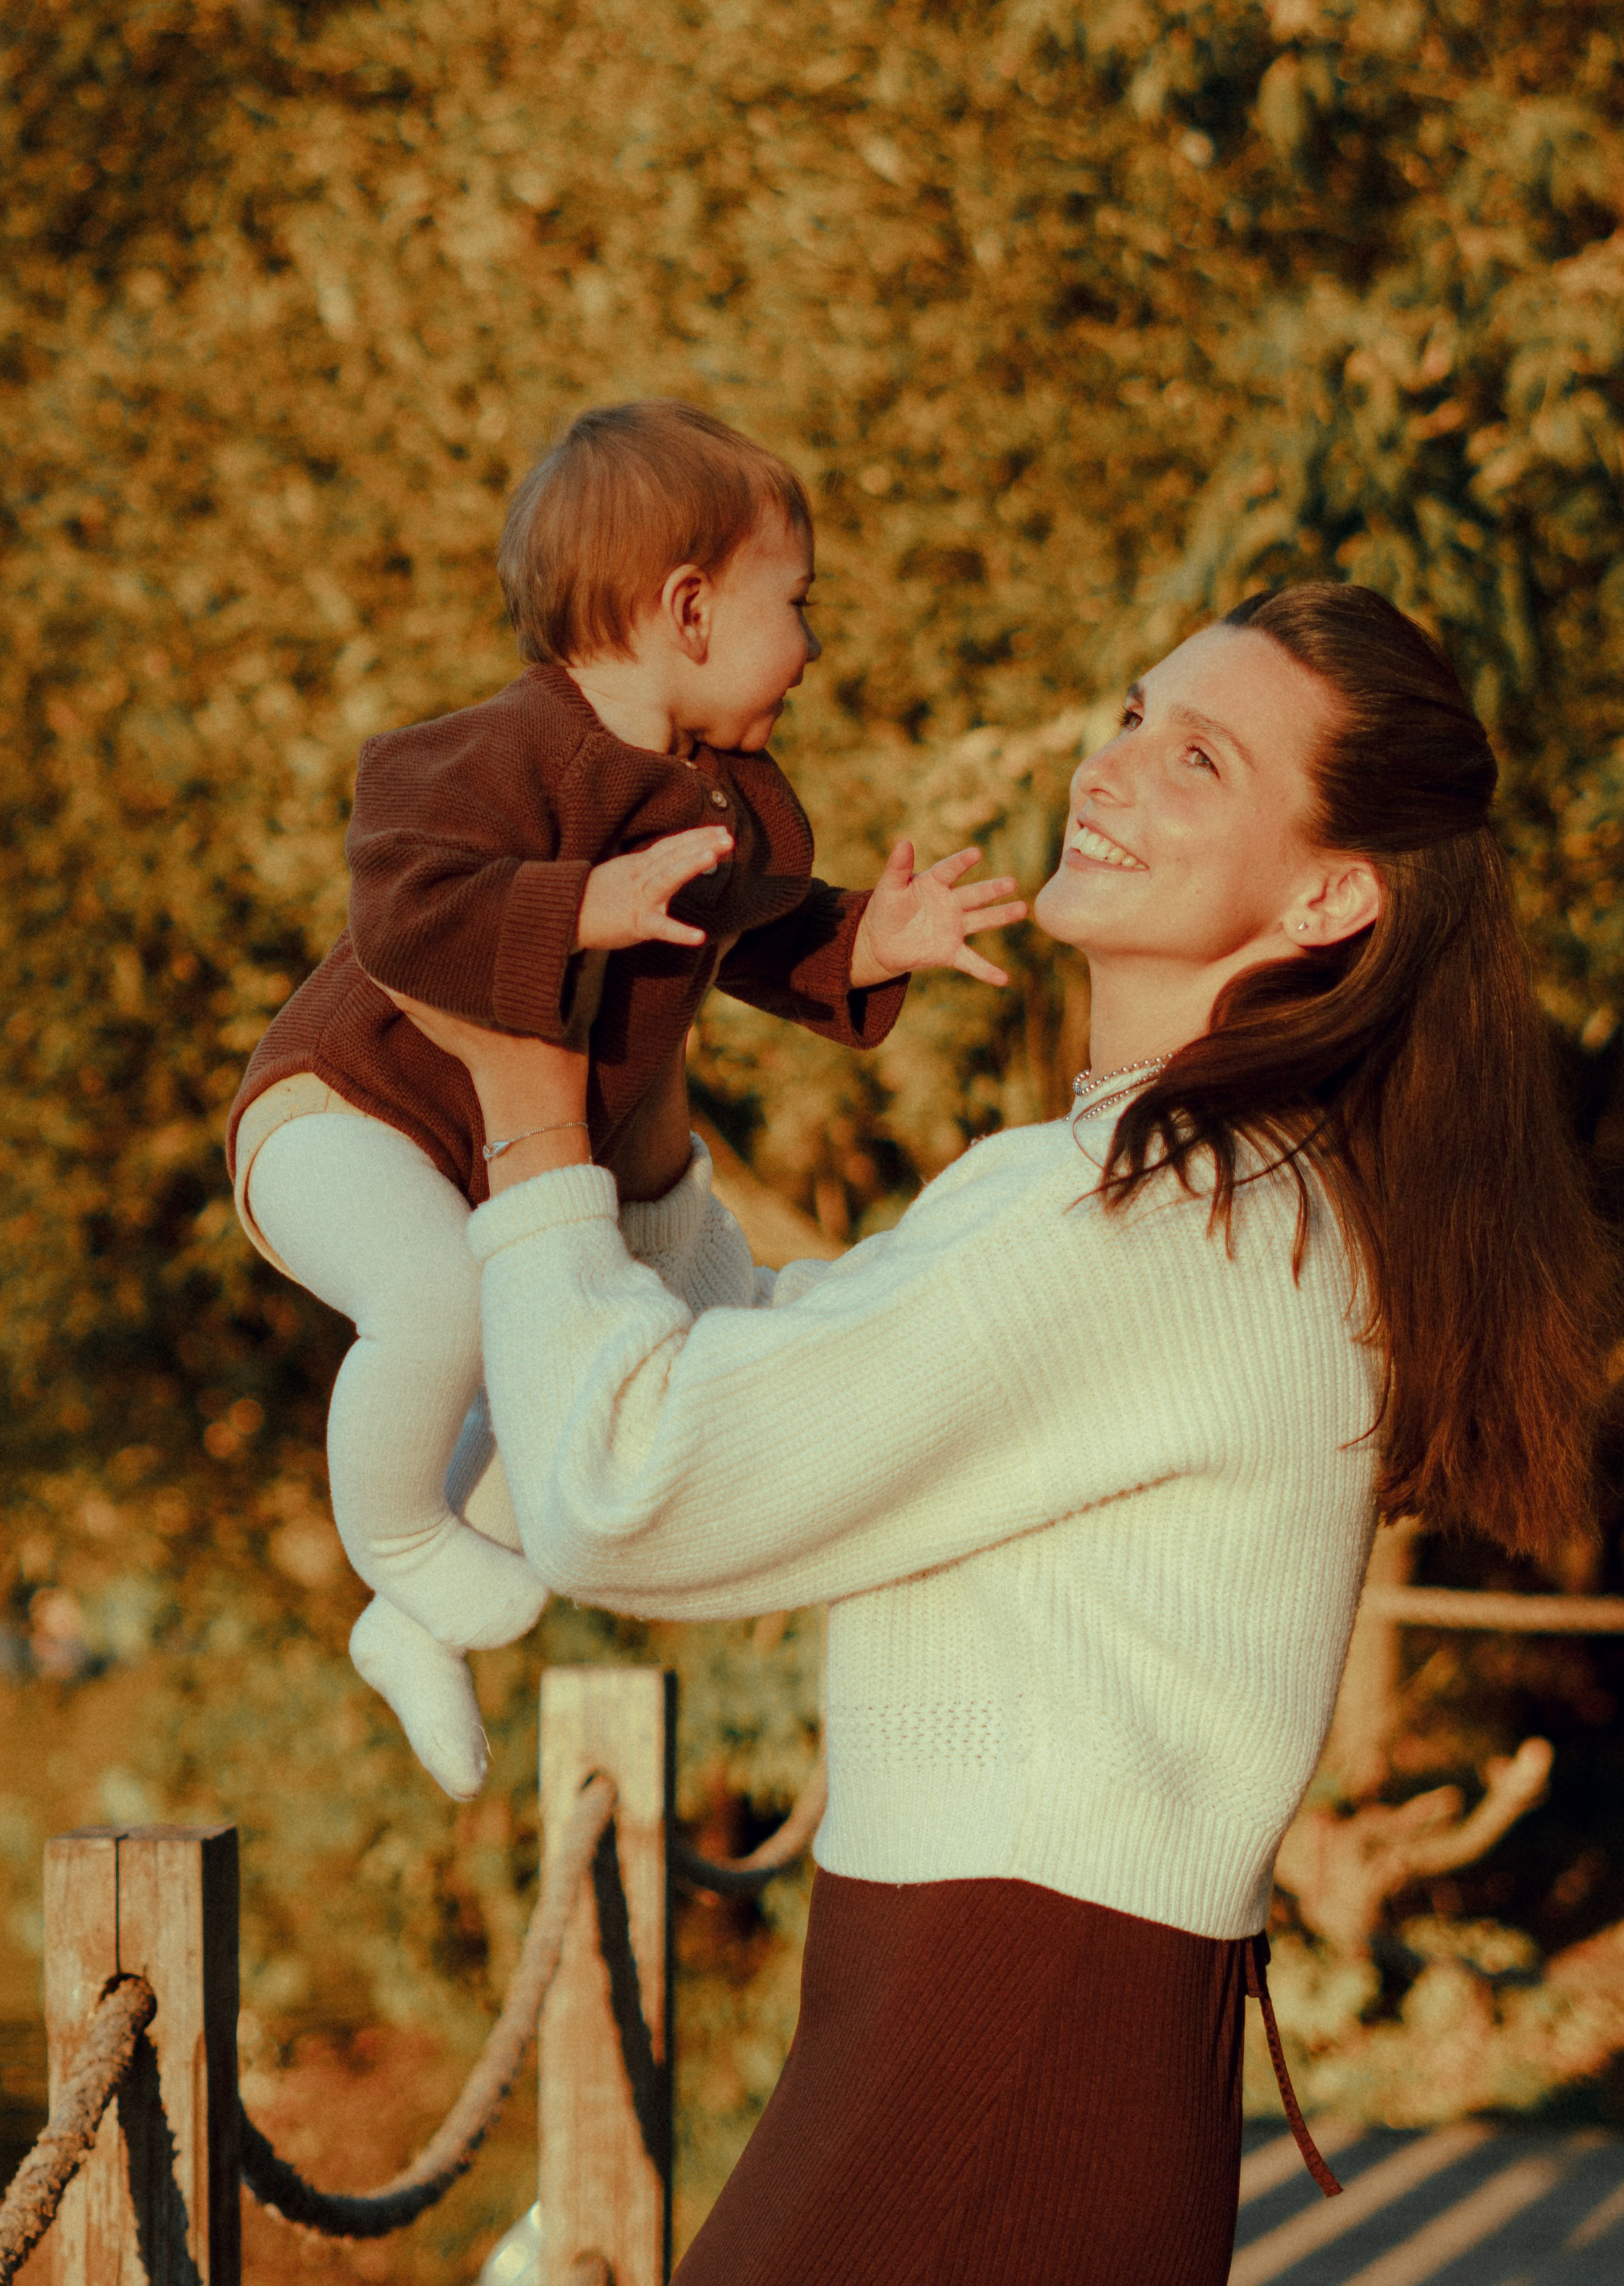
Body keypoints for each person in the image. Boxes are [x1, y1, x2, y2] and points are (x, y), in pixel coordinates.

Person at [387, 582, 1608, 2284]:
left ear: (1332, 894)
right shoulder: (1186, 1187)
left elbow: (623, 1491)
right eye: (1127, 717)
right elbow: (770, 1380)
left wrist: (527, 1110)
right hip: (999, 2051)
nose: (1110, 772)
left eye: (1197, 759)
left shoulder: (1162, 1219)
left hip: (993, 2062)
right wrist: (634, 1107)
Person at [226, 400, 1024, 1799]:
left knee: (563, 1405)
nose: (817, 645)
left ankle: (403, 1625)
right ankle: (399, 1539)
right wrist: (575, 903)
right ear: (690, 609)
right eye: (799, 605)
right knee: (440, 1307)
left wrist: (865, 945)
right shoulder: (492, 753)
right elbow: (406, 914)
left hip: (487, 1159)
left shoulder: (727, 803)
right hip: (337, 1118)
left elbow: (752, 931)